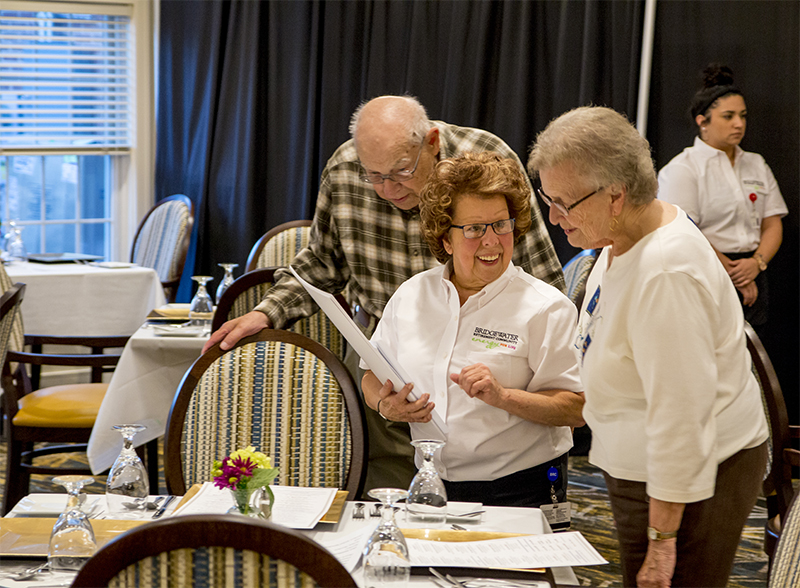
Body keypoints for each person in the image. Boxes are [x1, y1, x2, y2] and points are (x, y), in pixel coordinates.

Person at [204, 95, 565, 493]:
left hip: (488, 339)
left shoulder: (485, 159)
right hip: (383, 346)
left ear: (431, 142)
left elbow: (543, 277)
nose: (387, 188)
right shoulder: (345, 170)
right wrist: (267, 312)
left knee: (485, 468)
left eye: (401, 171)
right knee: (388, 485)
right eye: (374, 176)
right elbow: (322, 262)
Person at [527, 106, 768, 588]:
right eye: (546, 198)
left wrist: (662, 539)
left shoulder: (665, 274)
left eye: (563, 203)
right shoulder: (620, 238)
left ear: (615, 195)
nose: (553, 218)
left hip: (695, 479)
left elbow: (681, 419)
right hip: (643, 466)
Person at [361, 152, 584, 507]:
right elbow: (371, 373)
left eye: (501, 224)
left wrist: (503, 397)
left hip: (522, 490)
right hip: (430, 486)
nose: (492, 241)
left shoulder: (546, 307)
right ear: (445, 239)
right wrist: (386, 406)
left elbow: (577, 408)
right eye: (474, 229)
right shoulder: (412, 295)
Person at [658, 63, 787, 330]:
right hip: (707, 269)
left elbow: (772, 222)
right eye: (728, 116)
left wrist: (756, 264)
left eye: (743, 115)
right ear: (702, 121)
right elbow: (685, 230)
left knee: (754, 353)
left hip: (754, 267)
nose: (739, 124)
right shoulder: (682, 169)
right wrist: (733, 273)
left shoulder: (756, 164)